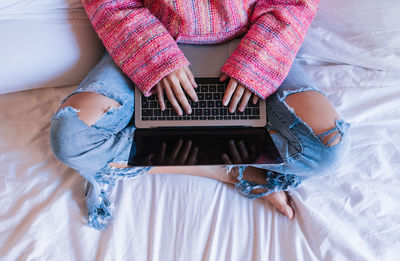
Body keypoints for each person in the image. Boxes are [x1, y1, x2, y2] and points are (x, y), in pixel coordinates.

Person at [50, 0, 350, 230]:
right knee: (71, 137)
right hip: (147, 37)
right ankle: (226, 170)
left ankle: (207, 165)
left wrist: (255, 64)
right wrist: (157, 56)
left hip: (253, 40)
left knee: (328, 150)